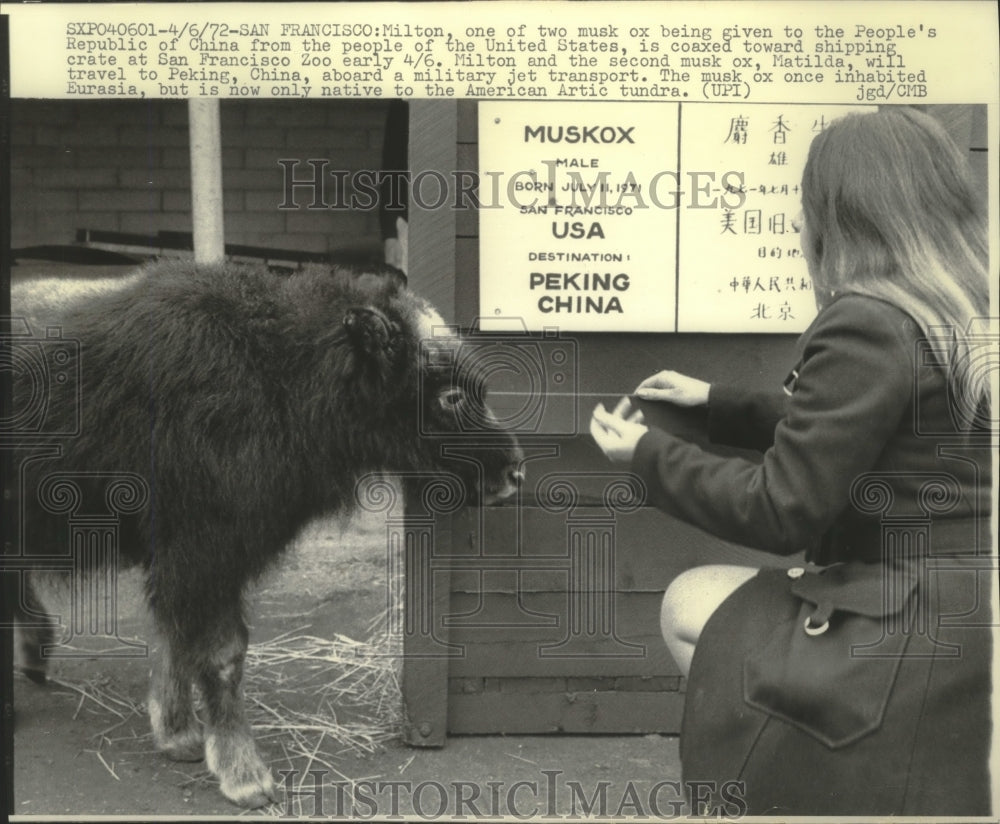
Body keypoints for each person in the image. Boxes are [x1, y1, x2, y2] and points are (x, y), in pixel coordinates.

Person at [590, 107, 993, 816]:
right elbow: (861, 433)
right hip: (970, 612)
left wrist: (645, 454)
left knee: (689, 601)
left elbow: (780, 508)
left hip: (907, 625)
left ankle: (813, 783)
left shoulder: (866, 319)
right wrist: (719, 403)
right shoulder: (960, 308)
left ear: (838, 220)